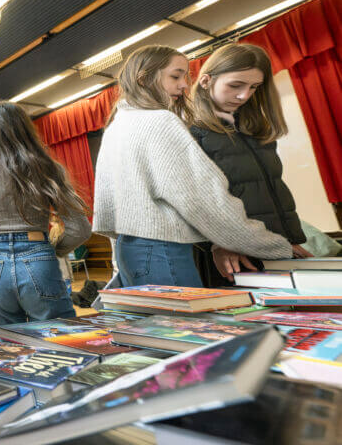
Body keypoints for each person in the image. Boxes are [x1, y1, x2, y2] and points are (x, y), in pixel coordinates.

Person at [92, 45, 293, 288]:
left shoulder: (118, 123)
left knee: (163, 325)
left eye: (185, 76)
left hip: (131, 248)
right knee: (184, 326)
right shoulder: (160, 120)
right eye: (175, 76)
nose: (185, 85)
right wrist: (275, 246)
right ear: (144, 79)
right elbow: (203, 199)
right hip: (163, 248)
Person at [190, 43, 311, 285]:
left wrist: (289, 239)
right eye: (235, 85)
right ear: (205, 81)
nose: (244, 95)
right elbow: (197, 200)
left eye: (254, 87)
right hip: (231, 254)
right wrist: (220, 243)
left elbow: (273, 190)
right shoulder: (191, 132)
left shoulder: (254, 129)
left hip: (273, 247)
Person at [0, 101, 91, 340]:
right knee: (62, 342)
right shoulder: (47, 168)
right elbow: (80, 228)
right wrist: (51, 250)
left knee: (6, 348)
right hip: (38, 257)